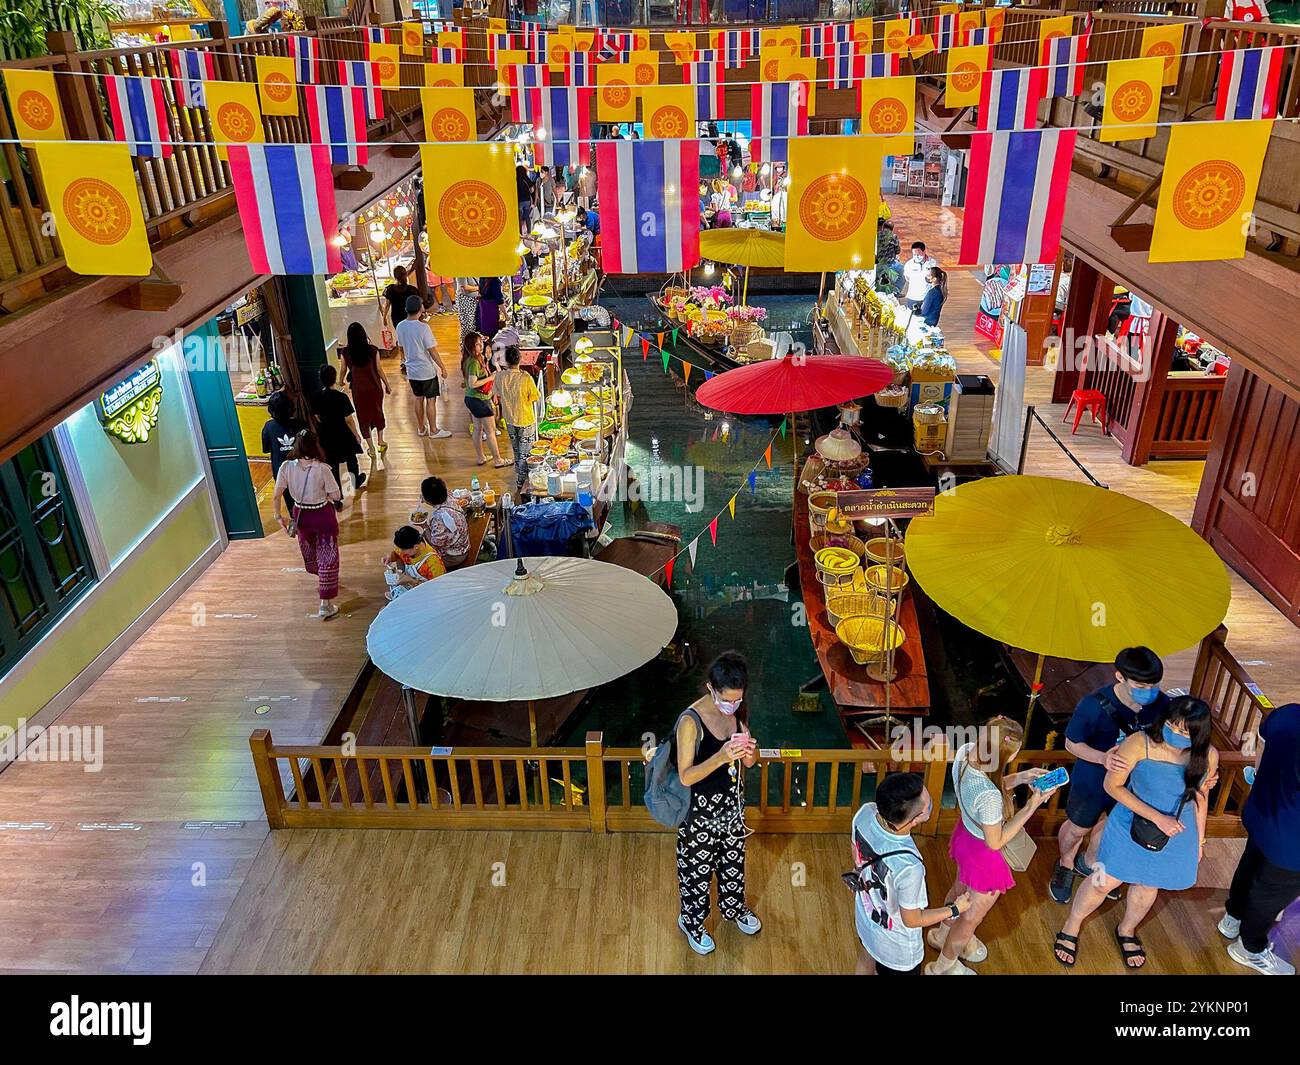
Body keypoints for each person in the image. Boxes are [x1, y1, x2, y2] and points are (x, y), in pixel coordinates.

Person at [1053, 697, 1218, 970]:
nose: (1174, 734)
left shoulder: (1208, 755)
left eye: (1184, 731)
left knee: (1148, 884)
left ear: (1198, 734)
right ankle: (1071, 925)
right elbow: (1112, 786)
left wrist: (1199, 841)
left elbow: (1201, 798)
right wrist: (1157, 817)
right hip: (1131, 821)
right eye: (1171, 726)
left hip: (1178, 830)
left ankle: (1127, 930)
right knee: (1103, 880)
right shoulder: (1138, 743)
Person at [928, 716, 1057, 975]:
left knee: (958, 891)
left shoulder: (966, 753)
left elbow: (987, 789)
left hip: (966, 836)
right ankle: (943, 966)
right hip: (984, 857)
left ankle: (941, 934)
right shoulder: (989, 796)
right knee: (970, 918)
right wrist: (1032, 805)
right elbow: (995, 840)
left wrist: (1020, 777)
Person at [1050, 647, 1169, 904]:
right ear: (1120, 677)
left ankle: (1090, 862)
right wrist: (1102, 758)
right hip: (1092, 777)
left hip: (1133, 782)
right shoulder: (1093, 705)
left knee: (1111, 827)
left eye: (1152, 685)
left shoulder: (1162, 704)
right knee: (1078, 827)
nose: (1148, 691)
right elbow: (1072, 744)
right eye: (1140, 685)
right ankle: (1066, 862)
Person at [673, 651, 760, 956]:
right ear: (711, 688)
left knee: (733, 864)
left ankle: (734, 909)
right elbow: (685, 776)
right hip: (698, 814)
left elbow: (751, 759)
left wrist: (750, 753)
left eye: (737, 700)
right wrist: (721, 756)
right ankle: (692, 922)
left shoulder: (737, 713)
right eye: (727, 700)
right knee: (696, 872)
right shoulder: (690, 721)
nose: (732, 706)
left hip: (731, 809)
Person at [851, 773, 973, 975]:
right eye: (927, 805)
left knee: (866, 958)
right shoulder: (909, 867)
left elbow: (856, 858)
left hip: (866, 918)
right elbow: (912, 919)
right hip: (896, 946)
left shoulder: (865, 813)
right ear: (916, 819)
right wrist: (954, 909)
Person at [1219, 701, 1300, 975]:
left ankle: (1233, 917)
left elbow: (1261, 752)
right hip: (1292, 841)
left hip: (1262, 811)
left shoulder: (1287, 713)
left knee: (1250, 865)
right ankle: (1249, 948)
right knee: (1271, 894)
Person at [272, 429, 342, 620]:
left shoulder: (286, 466)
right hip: (322, 514)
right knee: (328, 555)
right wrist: (326, 495)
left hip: (300, 514)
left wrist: (279, 517)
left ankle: (324, 579)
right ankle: (325, 603)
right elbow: (336, 496)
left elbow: (277, 494)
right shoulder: (322, 469)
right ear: (316, 445)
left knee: (310, 550)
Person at [395, 294, 451, 439]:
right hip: (426, 370)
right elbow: (432, 351)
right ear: (420, 308)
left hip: (412, 371)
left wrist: (404, 360)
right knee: (431, 400)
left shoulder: (400, 326)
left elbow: (400, 347)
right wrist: (442, 367)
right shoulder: (423, 328)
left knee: (418, 398)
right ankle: (433, 430)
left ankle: (421, 428)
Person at [338, 322, 391, 458]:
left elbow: (343, 369)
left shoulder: (346, 352)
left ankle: (371, 448)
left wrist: (340, 381)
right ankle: (381, 441)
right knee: (378, 412)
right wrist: (387, 384)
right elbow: (379, 369)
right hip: (374, 388)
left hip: (358, 391)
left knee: (363, 418)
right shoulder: (373, 350)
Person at [312, 364, 366, 495]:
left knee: (332, 463)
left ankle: (336, 492)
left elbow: (316, 416)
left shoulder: (317, 397)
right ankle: (354, 482)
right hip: (343, 433)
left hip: (326, 434)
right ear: (334, 378)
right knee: (351, 459)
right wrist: (356, 434)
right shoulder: (341, 397)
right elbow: (348, 419)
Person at [496, 345, 541, 492]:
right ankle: (522, 483)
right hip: (525, 419)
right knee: (525, 453)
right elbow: (534, 397)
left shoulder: (500, 376)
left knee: (516, 450)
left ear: (506, 360)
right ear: (519, 359)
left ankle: (520, 476)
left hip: (509, 419)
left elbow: (496, 393)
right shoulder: (525, 377)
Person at [462, 331, 510, 468]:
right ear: (470, 347)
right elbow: (472, 383)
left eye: (481, 343)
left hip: (472, 399)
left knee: (478, 429)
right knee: (490, 430)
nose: (480, 347)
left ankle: (481, 457)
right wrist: (491, 377)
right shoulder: (473, 362)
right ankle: (498, 460)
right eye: (477, 344)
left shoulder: (475, 359)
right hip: (479, 400)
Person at [417, 475, 470, 567]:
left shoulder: (439, 518)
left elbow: (435, 544)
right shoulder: (450, 497)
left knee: (418, 556)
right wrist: (426, 499)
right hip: (464, 544)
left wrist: (424, 526)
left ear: (428, 500)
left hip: (455, 556)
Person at [382, 524, 446, 600]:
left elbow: (437, 590)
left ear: (415, 547)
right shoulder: (409, 545)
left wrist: (411, 581)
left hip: (426, 596)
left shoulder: (434, 564)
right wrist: (390, 558)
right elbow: (396, 553)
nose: (401, 551)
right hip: (409, 587)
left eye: (403, 549)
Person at [261, 390, 304, 482]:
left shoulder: (268, 426)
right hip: (301, 471)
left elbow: (266, 449)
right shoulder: (300, 424)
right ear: (291, 408)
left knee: (286, 495)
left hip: (280, 472)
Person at [382, 265, 420, 346]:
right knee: (412, 337)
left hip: (396, 317)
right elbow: (419, 304)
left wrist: (384, 317)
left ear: (395, 276)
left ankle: (403, 356)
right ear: (406, 275)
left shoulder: (390, 289)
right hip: (410, 316)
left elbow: (387, 305)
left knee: (401, 337)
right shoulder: (412, 289)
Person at [900, 241, 939, 309]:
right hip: (912, 297)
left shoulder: (932, 263)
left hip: (927, 297)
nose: (916, 257)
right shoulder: (909, 264)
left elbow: (936, 278)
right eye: (914, 255)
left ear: (924, 252)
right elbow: (907, 278)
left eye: (918, 254)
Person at [454, 276, 480, 344]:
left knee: (473, 326)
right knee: (467, 326)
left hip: (475, 299)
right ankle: (465, 348)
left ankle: (472, 347)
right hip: (465, 300)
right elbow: (465, 287)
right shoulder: (462, 271)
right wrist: (480, 288)